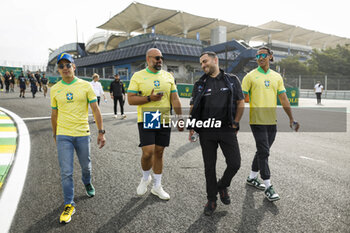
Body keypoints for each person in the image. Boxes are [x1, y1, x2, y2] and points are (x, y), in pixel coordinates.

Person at [50, 52, 106, 224]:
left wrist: (101, 132)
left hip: (82, 133)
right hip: (63, 135)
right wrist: (55, 134)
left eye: (68, 65)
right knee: (66, 172)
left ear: (74, 66)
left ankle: (87, 182)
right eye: (61, 66)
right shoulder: (55, 89)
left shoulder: (86, 86)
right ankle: (69, 204)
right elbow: (54, 114)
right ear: (58, 70)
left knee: (86, 166)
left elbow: (95, 110)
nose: (65, 68)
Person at [189, 51, 245, 216]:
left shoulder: (232, 80)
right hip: (206, 131)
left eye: (205, 61)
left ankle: (222, 185)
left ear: (215, 60)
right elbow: (193, 106)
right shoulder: (200, 84)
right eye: (201, 63)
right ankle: (211, 199)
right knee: (209, 167)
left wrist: (235, 122)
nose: (203, 65)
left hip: (227, 129)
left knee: (235, 163)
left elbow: (240, 102)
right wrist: (192, 126)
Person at [242, 46, 300, 202]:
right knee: (264, 151)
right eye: (258, 55)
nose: (260, 58)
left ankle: (252, 177)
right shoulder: (250, 76)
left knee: (262, 150)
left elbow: (283, 99)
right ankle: (268, 186)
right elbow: (242, 99)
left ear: (270, 56)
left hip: (271, 122)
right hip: (256, 121)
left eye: (264, 55)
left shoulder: (276, 77)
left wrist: (291, 118)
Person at [127, 48, 183, 200]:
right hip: (148, 116)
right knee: (148, 152)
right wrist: (149, 98)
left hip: (164, 117)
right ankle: (146, 178)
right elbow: (131, 99)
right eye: (157, 58)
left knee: (159, 152)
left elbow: (175, 99)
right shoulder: (138, 76)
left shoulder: (168, 76)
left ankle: (157, 186)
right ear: (148, 59)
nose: (160, 60)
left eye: (161, 58)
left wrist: (180, 117)